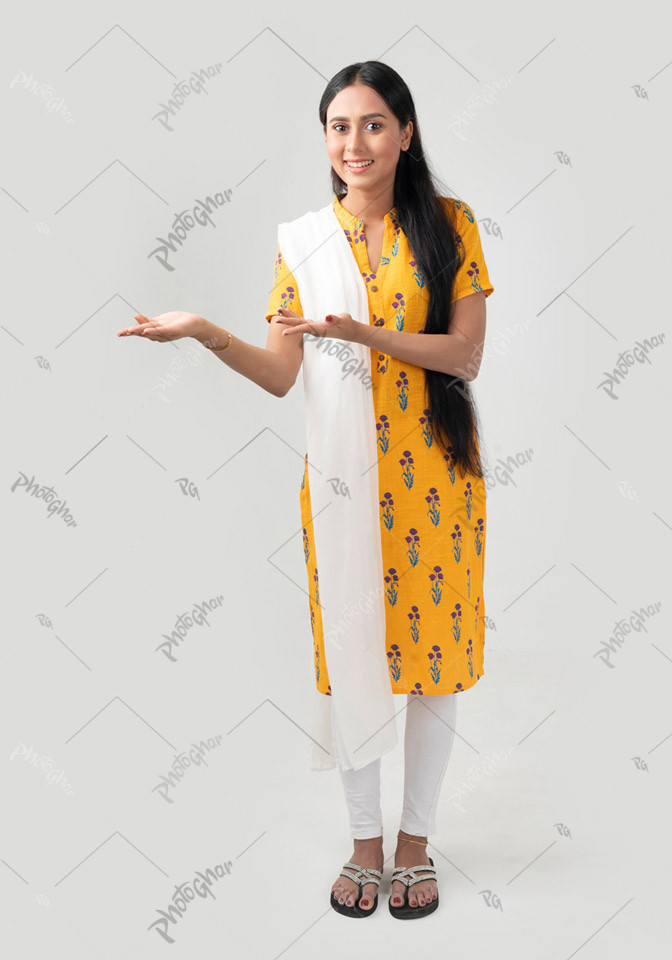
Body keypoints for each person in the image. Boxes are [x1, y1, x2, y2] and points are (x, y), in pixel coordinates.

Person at [117, 60, 494, 920]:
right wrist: (205, 332)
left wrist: (362, 332)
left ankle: (415, 845)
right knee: (353, 655)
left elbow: (464, 355)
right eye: (337, 126)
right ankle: (364, 843)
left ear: (405, 134)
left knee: (433, 667)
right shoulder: (303, 244)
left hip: (437, 475)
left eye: (371, 124)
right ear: (324, 139)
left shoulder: (450, 225)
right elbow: (284, 375)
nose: (353, 143)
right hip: (343, 483)